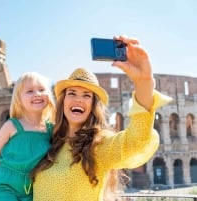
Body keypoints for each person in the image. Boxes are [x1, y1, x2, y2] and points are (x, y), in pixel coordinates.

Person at [30, 35, 173, 201]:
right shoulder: (50, 141)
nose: (78, 99)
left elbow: (136, 141)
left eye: (86, 95)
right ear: (63, 102)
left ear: (92, 105)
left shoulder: (98, 144)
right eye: (72, 93)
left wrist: (144, 82)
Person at [0, 72, 56, 201]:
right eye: (30, 91)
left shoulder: (51, 129)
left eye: (42, 89)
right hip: (4, 186)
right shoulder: (11, 126)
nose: (37, 94)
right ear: (19, 98)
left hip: (31, 189)